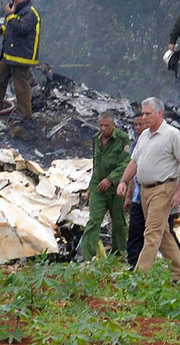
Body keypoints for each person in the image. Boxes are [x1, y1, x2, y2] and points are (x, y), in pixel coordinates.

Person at [115, 97, 180, 281]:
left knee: (151, 233)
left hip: (163, 188)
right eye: (143, 113)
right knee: (162, 234)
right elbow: (134, 161)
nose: (145, 117)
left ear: (159, 113)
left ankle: (139, 277)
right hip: (145, 191)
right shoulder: (144, 136)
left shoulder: (172, 134)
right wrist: (124, 180)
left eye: (148, 113)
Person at [81, 111, 132, 261]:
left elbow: (126, 163)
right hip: (98, 186)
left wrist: (111, 179)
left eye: (106, 126)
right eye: (101, 125)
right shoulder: (96, 139)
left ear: (113, 125)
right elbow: (96, 164)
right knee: (93, 220)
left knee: (118, 222)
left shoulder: (122, 139)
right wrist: (92, 187)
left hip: (116, 187)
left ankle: (119, 255)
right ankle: (87, 257)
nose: (103, 129)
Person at [0, 0, 41, 118]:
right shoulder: (19, 11)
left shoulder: (30, 12)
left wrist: (10, 16)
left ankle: (25, 115)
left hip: (21, 57)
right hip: (10, 55)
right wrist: (1, 30)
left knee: (20, 86)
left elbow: (22, 29)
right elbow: (13, 31)